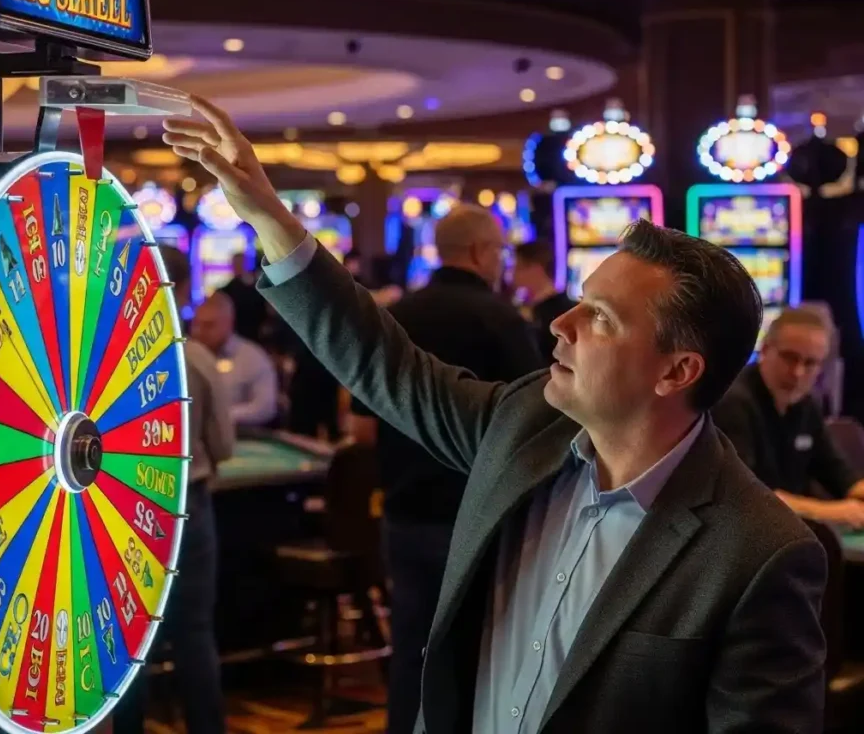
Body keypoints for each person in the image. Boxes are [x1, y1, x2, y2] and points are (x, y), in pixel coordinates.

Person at [163, 98, 826, 734]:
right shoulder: (524, 426)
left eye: (600, 319)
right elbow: (383, 362)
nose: (561, 324)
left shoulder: (759, 550)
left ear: (677, 372)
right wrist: (266, 213)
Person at [348, 203, 542, 734]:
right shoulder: (501, 319)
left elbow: (361, 429)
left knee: (413, 649)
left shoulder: (397, 313)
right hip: (481, 516)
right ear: (481, 252)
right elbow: (539, 425)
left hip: (405, 512)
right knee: (484, 654)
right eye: (501, 251)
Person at [156, 245, 234, 734]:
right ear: (184, 289)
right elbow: (223, 446)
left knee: (127, 644)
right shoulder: (197, 358)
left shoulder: (101, 357)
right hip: (190, 505)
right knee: (194, 635)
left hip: (121, 511)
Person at [713, 306, 864, 528]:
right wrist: (832, 512)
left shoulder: (805, 404)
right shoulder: (733, 403)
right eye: (789, 358)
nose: (797, 372)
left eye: (810, 363)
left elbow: (841, 476)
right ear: (765, 349)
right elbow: (744, 496)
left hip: (785, 536)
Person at [191, 291, 278, 426]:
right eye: (196, 324)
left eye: (208, 325)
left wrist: (223, 416)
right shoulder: (186, 356)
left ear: (229, 323)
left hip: (242, 436)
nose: (199, 332)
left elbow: (265, 407)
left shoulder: (252, 358)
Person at [512, 240, 577, 365]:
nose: (512, 274)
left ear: (535, 269)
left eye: (517, 267)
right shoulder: (527, 308)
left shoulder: (559, 312)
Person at [218, 250, 268, 341]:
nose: (236, 266)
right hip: (235, 335)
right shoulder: (225, 291)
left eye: (239, 263)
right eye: (234, 264)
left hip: (255, 334)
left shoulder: (257, 287)